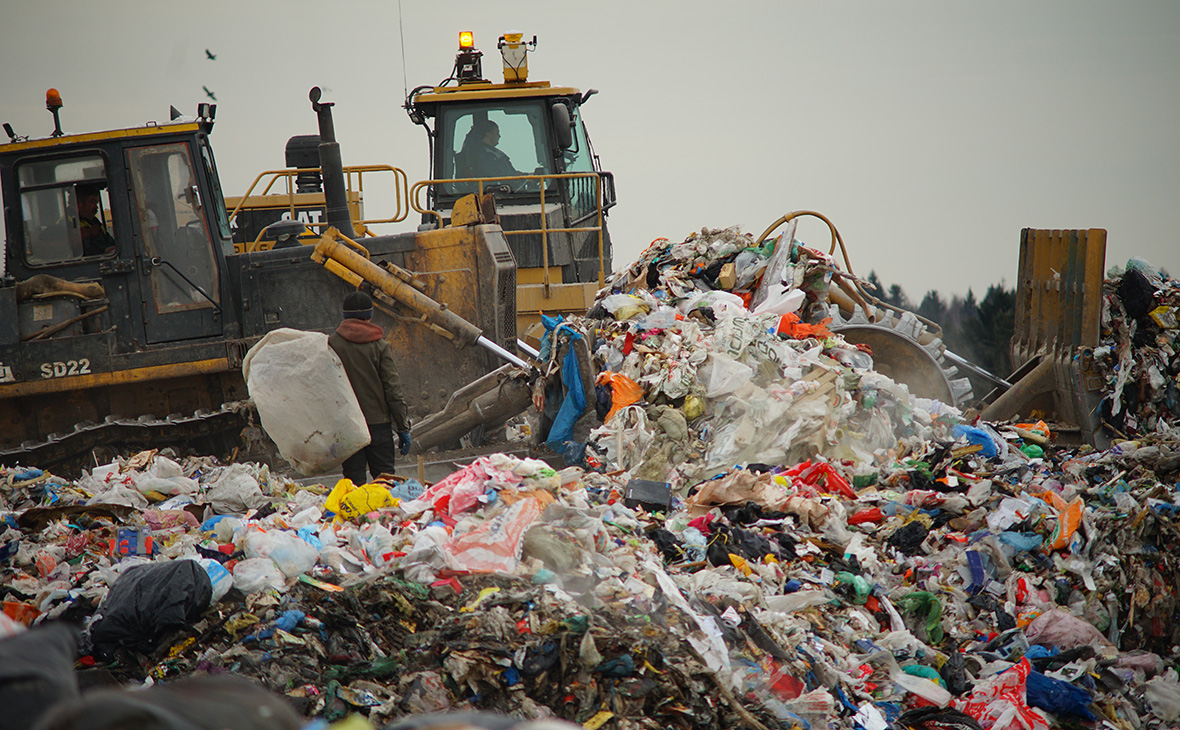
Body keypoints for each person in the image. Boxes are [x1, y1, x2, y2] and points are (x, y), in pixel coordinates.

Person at [328, 290, 411, 485]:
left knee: (354, 484)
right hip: (378, 426)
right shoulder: (380, 346)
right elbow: (393, 390)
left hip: (347, 426)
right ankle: (385, 517)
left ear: (344, 316)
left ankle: (356, 516)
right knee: (385, 482)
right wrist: (402, 426)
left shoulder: (330, 345)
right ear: (370, 315)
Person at [76, 184, 116, 257]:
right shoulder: (67, 224)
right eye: (92, 202)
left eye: (96, 203)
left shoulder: (94, 221)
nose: (96, 207)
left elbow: (109, 241)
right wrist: (104, 250)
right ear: (79, 204)